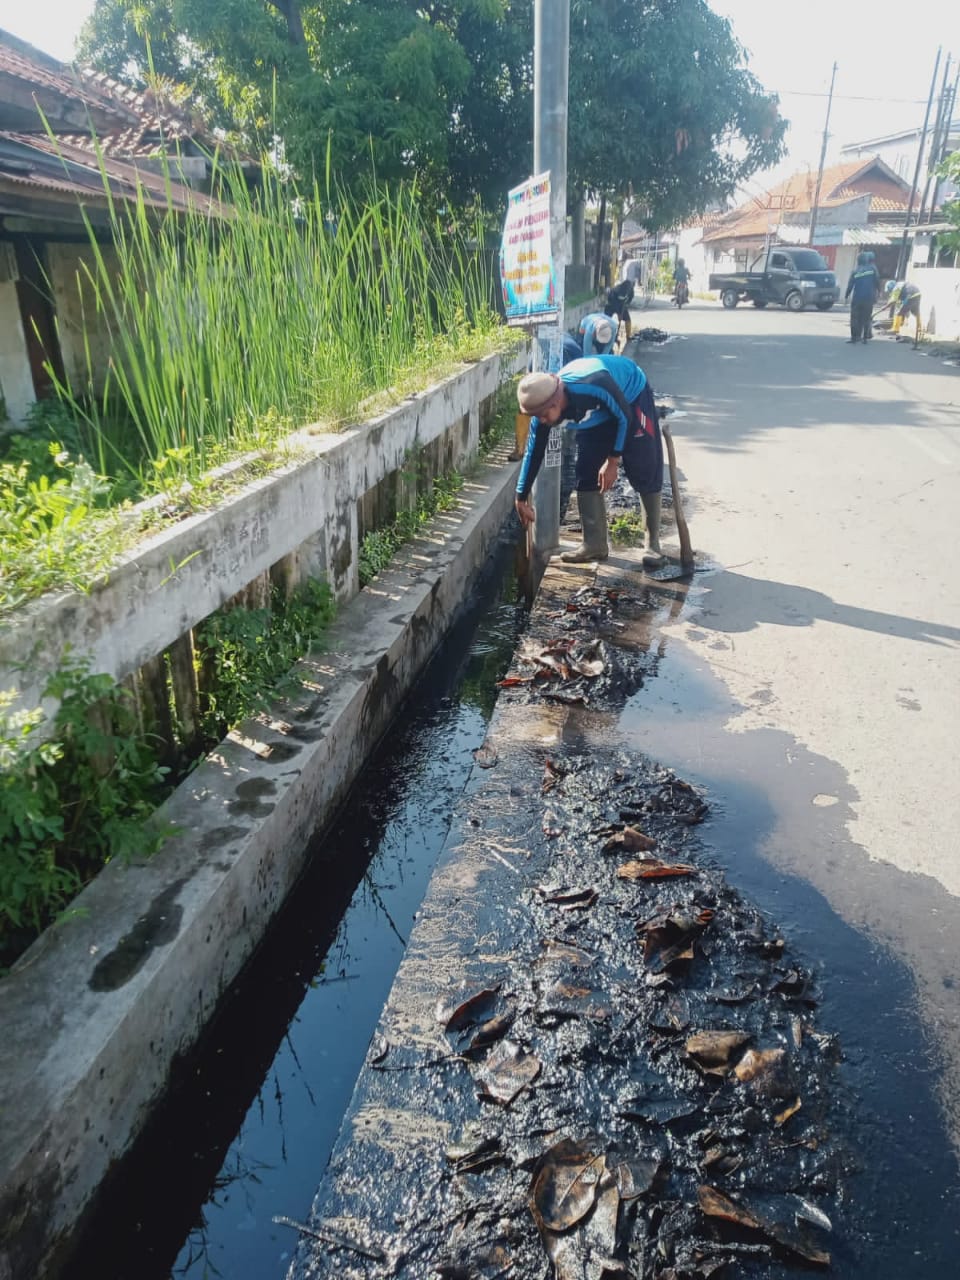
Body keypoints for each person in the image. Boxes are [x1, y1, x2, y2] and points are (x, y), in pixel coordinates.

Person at [514, 354, 666, 568]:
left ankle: (653, 544)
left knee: (644, 466)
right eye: (536, 416)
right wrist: (520, 496)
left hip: (630, 398)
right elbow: (534, 452)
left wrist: (613, 461)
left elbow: (624, 417)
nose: (542, 420)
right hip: (595, 415)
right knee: (586, 470)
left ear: (556, 401)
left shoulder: (593, 384)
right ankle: (594, 544)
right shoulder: (543, 414)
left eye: (544, 415)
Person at [844, 251, 881, 342]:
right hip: (869, 298)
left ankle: (854, 338)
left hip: (857, 298)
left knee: (854, 318)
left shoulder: (855, 271)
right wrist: (879, 291)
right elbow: (877, 281)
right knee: (866, 317)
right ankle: (865, 338)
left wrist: (846, 296)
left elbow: (850, 285)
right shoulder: (872, 269)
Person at [604, 278, 635, 345]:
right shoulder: (616, 290)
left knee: (628, 320)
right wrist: (619, 313)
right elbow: (614, 303)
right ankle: (605, 335)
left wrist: (626, 305)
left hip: (622, 305)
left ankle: (628, 336)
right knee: (606, 320)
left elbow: (630, 298)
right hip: (611, 304)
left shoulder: (630, 290)